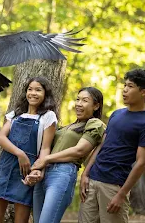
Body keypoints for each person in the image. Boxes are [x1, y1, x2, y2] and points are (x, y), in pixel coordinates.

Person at [78, 68, 145, 223]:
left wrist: (122, 194)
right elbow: (101, 146)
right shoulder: (116, 114)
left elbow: (141, 163)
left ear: (144, 92)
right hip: (93, 181)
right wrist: (85, 174)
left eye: (130, 86)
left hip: (114, 185)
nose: (125, 90)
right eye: (125, 85)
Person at [27, 87, 106, 223]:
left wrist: (46, 159)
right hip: (44, 173)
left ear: (96, 106)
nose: (79, 104)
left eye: (85, 100)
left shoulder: (95, 124)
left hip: (62, 173)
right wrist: (39, 169)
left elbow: (79, 150)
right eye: (78, 99)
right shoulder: (66, 127)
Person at [0, 76, 58, 223]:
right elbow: (0, 137)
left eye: (38, 90)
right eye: (30, 89)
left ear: (45, 94)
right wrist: (20, 153)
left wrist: (39, 169)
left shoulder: (48, 116)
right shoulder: (15, 114)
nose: (33, 93)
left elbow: (45, 149)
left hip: (27, 171)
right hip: (5, 167)